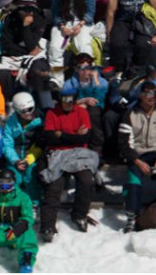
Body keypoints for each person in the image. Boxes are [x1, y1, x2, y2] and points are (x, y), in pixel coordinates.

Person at [118, 81, 156, 233]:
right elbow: (124, 144)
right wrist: (138, 162)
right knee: (133, 182)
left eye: (155, 94)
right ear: (141, 95)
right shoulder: (130, 114)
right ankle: (132, 216)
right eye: (147, 93)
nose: (151, 97)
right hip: (138, 155)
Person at [39, 88, 98, 242]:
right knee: (54, 184)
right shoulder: (52, 113)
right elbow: (50, 138)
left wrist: (62, 135)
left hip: (79, 154)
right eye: (65, 100)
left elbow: (85, 139)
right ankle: (48, 225)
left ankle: (79, 214)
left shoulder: (81, 112)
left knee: (86, 180)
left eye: (71, 100)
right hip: (57, 154)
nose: (68, 104)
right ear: (60, 100)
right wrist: (74, 136)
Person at [0, 0, 53, 110]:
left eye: (31, 9)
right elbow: (6, 42)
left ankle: (47, 108)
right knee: (2, 74)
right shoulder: (10, 18)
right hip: (14, 55)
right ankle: (7, 107)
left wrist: (26, 26)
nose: (30, 13)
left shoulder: (39, 19)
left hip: (37, 55)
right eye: (26, 10)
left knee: (39, 72)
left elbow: (32, 44)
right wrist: (25, 51)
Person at [48, 0, 96, 89]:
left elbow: (91, 12)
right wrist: (62, 26)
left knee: (83, 46)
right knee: (55, 47)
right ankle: (56, 79)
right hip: (64, 22)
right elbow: (55, 14)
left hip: (82, 22)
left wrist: (80, 25)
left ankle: (86, 77)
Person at [2, 93, 45, 211]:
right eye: (23, 111)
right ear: (16, 111)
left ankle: (34, 204)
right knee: (14, 177)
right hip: (16, 156)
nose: (28, 113)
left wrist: (28, 160)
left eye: (30, 109)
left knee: (30, 175)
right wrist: (15, 160)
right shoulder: (11, 123)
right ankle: (13, 204)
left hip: (32, 156)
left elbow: (40, 144)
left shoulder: (39, 121)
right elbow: (7, 144)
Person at [62, 53, 108, 156]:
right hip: (77, 107)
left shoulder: (100, 81)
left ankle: (96, 148)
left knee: (92, 112)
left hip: (95, 107)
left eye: (88, 67)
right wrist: (81, 101)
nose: (85, 71)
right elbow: (65, 103)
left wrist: (86, 102)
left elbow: (99, 99)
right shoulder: (69, 83)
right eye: (81, 68)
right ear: (76, 69)